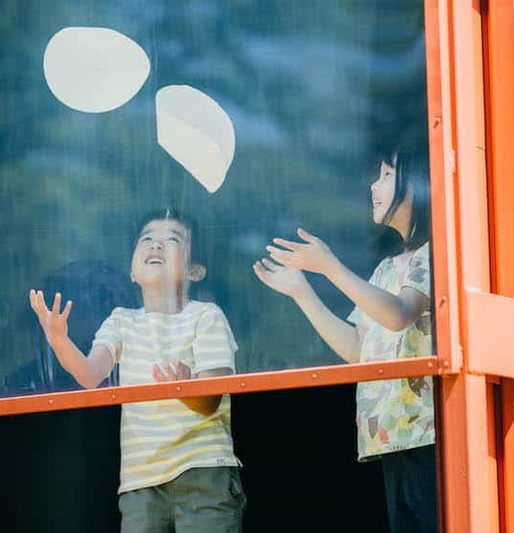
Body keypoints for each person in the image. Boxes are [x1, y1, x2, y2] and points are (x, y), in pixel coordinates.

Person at [253, 148, 437, 533]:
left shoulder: (432, 255)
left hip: (427, 435)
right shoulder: (385, 268)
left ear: (418, 185)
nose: (374, 185)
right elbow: (357, 348)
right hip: (390, 438)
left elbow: (399, 314)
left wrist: (330, 266)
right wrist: (303, 291)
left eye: (387, 175)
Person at [29, 208, 246, 533]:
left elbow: (210, 401)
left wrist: (184, 389)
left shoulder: (206, 316)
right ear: (132, 271)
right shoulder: (121, 320)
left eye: (172, 240)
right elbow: (89, 375)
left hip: (202, 469)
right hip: (140, 478)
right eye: (147, 239)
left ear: (195, 271)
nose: (156, 246)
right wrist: (58, 340)